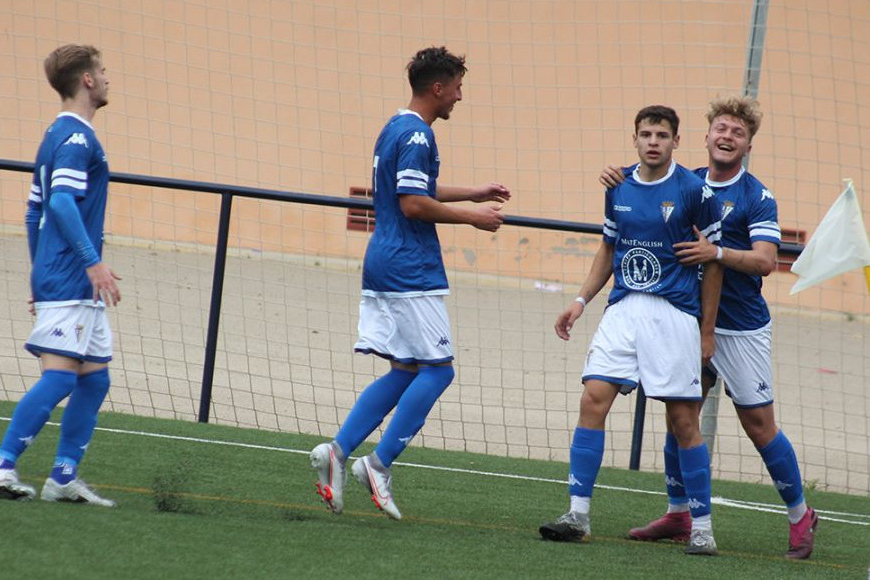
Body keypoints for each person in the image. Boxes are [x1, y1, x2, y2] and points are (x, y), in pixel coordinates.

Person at [599, 96, 818, 559]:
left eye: (737, 133)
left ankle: (800, 514)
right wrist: (616, 176)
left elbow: (764, 261)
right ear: (705, 137)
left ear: (748, 144)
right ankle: (680, 513)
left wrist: (716, 253)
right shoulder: (688, 182)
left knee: (759, 426)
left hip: (740, 328)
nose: (726, 137)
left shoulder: (757, 197)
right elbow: (639, 185)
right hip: (689, 320)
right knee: (682, 416)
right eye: (721, 128)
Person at [310, 46, 509, 520]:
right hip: (409, 268)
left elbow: (416, 187)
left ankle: (336, 453)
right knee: (438, 370)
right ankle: (377, 464)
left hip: (386, 260)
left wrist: (473, 189)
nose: (460, 96)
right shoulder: (418, 134)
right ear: (437, 88)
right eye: (457, 87)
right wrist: (473, 218)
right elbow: (413, 204)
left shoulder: (397, 126)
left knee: (404, 370)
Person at [539, 105, 723, 555]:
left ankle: (702, 526)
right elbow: (608, 247)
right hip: (622, 311)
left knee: (683, 420)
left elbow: (713, 265)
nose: (653, 141)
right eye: (646, 134)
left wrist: (706, 331)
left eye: (662, 134)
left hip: (674, 314)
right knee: (592, 399)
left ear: (677, 141)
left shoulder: (695, 191)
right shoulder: (617, 185)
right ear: (635, 138)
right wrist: (580, 302)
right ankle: (577, 515)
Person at [0, 44, 121, 507]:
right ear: (88, 81)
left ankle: (62, 477)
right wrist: (90, 262)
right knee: (59, 378)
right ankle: (0, 468)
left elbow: (33, 208)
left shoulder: (55, 134)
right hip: (75, 278)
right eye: (103, 71)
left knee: (94, 379)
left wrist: (38, 271)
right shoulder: (77, 139)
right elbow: (57, 203)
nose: (108, 78)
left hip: (63, 277)